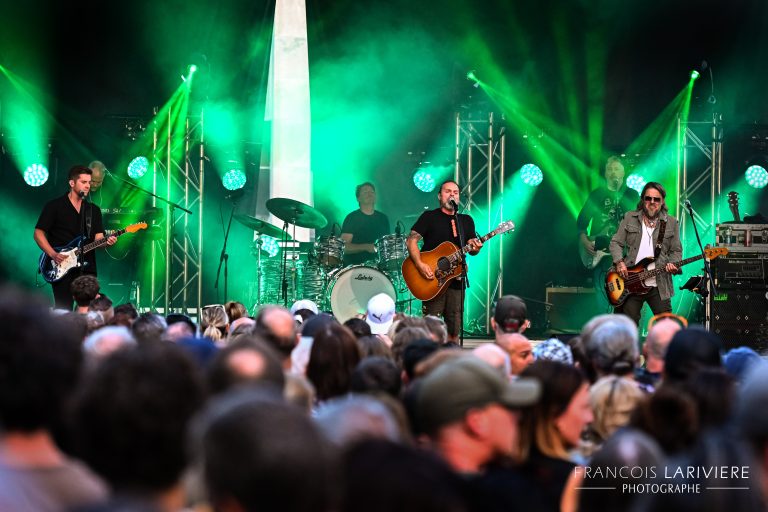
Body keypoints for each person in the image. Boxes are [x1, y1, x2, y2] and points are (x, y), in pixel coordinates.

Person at [406, 180, 483, 341]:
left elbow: (472, 248)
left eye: (455, 192)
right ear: (439, 196)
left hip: (456, 279)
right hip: (432, 279)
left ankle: (451, 358)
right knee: (430, 327)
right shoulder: (429, 217)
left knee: (454, 328)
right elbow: (411, 240)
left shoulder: (466, 220)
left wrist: (476, 247)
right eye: (448, 191)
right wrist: (420, 265)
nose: (452, 195)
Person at [34, 165, 116, 310]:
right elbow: (38, 233)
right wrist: (52, 254)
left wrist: (107, 243)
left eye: (89, 183)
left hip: (87, 268)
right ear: (72, 183)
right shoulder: (54, 206)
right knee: (63, 309)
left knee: (88, 310)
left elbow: (98, 240)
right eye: (83, 182)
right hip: (61, 266)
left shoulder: (93, 210)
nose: (87, 186)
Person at [609, 181, 682, 325]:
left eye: (656, 199)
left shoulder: (671, 223)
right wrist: (619, 262)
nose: (652, 202)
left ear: (662, 202)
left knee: (666, 325)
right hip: (631, 282)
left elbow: (676, 251)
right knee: (626, 325)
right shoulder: (630, 217)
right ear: (643, 200)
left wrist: (673, 264)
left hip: (658, 284)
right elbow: (615, 243)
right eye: (648, 198)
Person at [576, 156, 639, 312]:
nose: (613, 172)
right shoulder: (597, 194)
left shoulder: (631, 195)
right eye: (610, 169)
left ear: (623, 172)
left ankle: (623, 323)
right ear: (605, 173)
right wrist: (584, 241)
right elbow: (581, 222)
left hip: (624, 252)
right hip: (600, 250)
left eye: (617, 169)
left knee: (626, 288)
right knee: (602, 287)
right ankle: (605, 323)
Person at [340, 182, 390, 265]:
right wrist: (366, 247)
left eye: (372, 192)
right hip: (356, 267)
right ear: (358, 198)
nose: (369, 194)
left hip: (380, 268)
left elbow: (386, 245)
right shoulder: (352, 218)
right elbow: (344, 247)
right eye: (365, 192)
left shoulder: (383, 218)